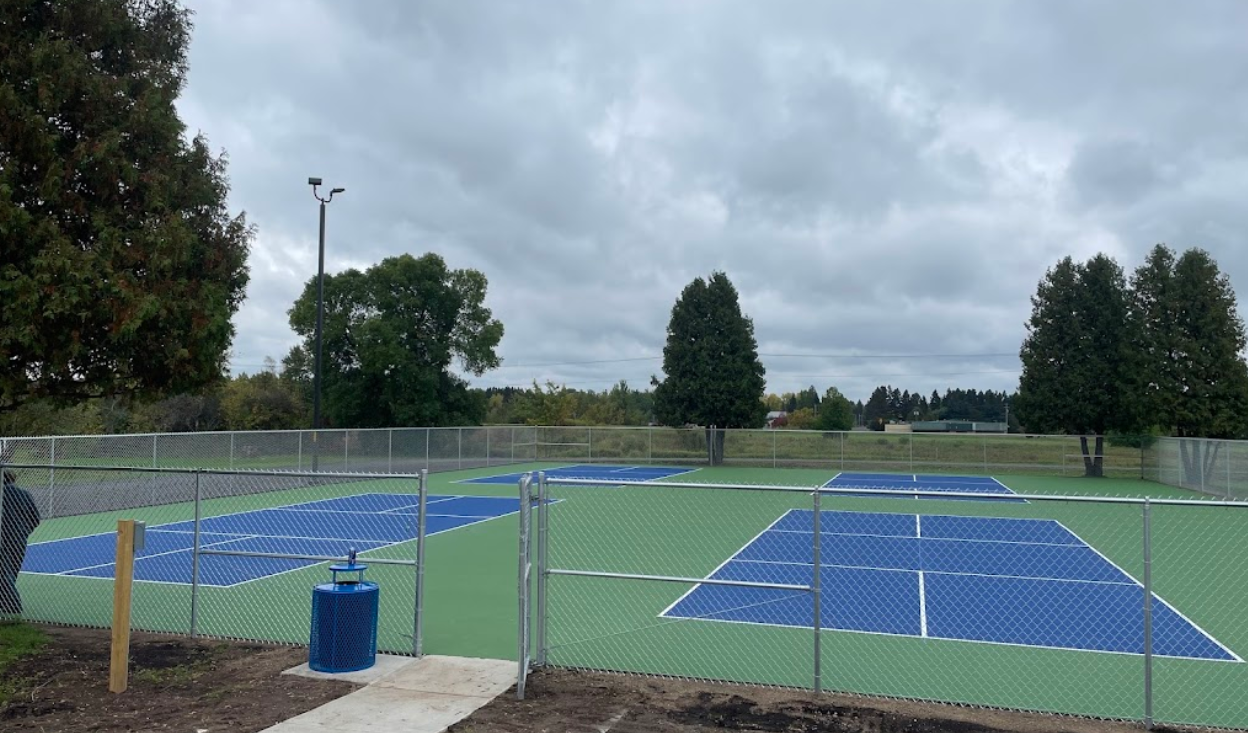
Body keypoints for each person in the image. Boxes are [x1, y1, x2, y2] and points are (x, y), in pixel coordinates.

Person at [1, 470, 41, 615]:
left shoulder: (3, 495)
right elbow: (35, 518)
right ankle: (6, 602)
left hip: (3, 540)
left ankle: (12, 606)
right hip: (19, 540)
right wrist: (23, 532)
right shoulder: (24, 494)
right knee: (12, 571)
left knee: (4, 574)